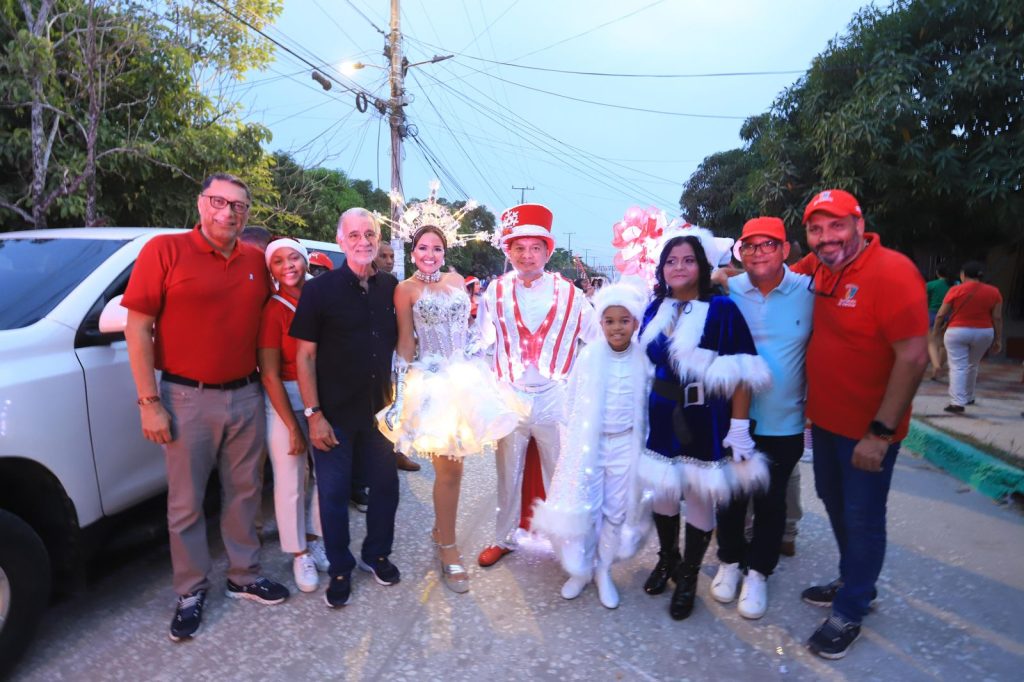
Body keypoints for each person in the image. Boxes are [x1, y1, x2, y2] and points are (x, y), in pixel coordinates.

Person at [122, 173, 289, 642]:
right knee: (186, 502)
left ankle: (243, 574)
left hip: (246, 393)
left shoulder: (257, 259)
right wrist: (148, 401)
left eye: (239, 206)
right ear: (201, 203)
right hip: (184, 398)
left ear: (247, 214)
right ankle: (191, 589)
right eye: (219, 201)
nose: (228, 212)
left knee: (244, 491)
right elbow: (137, 329)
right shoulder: (164, 251)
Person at [795, 189, 928, 659]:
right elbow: (772, 280)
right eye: (816, 228)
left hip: (869, 431)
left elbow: (914, 356)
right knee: (834, 502)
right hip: (826, 424)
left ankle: (852, 607)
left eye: (836, 226)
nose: (826, 237)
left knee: (863, 516)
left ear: (858, 223)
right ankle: (854, 578)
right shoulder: (819, 267)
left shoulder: (891, 272)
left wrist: (880, 433)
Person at [379, 225, 526, 593]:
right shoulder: (405, 290)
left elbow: (470, 330)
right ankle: (448, 547)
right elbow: (405, 342)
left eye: (437, 248)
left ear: (445, 252)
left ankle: (441, 529)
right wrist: (400, 395)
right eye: (423, 248)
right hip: (432, 383)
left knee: (457, 467)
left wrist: (484, 360)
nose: (430, 254)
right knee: (449, 471)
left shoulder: (458, 280)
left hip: (466, 377)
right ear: (413, 253)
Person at [638, 229, 770, 622]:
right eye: (671, 261)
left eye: (687, 260)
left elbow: (742, 373)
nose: (678, 267)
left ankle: (690, 577)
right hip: (661, 413)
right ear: (662, 268)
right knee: (663, 494)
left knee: (697, 494)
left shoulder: (723, 310)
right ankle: (669, 560)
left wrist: (740, 427)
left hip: (703, 415)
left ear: (702, 265)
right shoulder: (654, 307)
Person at [290, 207, 401, 609]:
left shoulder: (392, 287)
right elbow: (304, 357)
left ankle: (377, 555)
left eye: (369, 234)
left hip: (380, 414)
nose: (363, 242)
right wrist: (313, 413)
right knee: (334, 495)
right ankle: (340, 567)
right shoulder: (319, 291)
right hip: (332, 414)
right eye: (354, 235)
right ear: (341, 241)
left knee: (386, 489)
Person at [474, 203, 593, 567]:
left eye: (535, 248)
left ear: (547, 251)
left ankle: (564, 541)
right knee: (507, 473)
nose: (527, 256)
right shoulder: (493, 293)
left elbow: (596, 337)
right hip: (510, 394)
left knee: (560, 472)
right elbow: (481, 343)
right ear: (508, 252)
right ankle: (504, 537)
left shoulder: (571, 294)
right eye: (519, 248)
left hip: (554, 394)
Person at [713, 217, 813, 619]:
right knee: (732, 496)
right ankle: (729, 562)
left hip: (785, 418)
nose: (757, 252)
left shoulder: (808, 291)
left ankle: (759, 572)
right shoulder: (729, 288)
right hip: (732, 415)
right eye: (749, 246)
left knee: (771, 501)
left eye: (767, 244)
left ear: (785, 249)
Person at [532, 283, 652, 609]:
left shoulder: (644, 359)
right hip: (590, 445)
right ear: (601, 324)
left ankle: (603, 570)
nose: (616, 327)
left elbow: (648, 406)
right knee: (586, 507)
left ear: (635, 323)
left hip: (626, 445)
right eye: (609, 321)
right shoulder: (588, 356)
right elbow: (571, 402)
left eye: (624, 320)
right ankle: (581, 569)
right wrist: (573, 444)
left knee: (615, 512)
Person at [258, 239, 329, 593]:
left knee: (326, 473)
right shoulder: (274, 310)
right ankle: (298, 551)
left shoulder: (319, 299)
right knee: (289, 478)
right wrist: (292, 426)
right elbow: (269, 373)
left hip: (321, 394)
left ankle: (315, 537)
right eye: (278, 261)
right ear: (270, 270)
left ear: (305, 261)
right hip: (285, 396)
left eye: (294, 258)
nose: (288, 266)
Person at [934, 261, 1003, 413]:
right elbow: (997, 317)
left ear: (963, 275)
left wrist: (935, 331)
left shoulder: (955, 290)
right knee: (972, 365)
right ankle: (969, 396)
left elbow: (941, 314)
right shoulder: (994, 292)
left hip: (957, 332)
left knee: (958, 366)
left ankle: (957, 402)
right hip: (984, 333)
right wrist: (998, 339)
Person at [926, 265, 957, 380]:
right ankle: (939, 368)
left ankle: (936, 365)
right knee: (944, 343)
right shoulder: (956, 285)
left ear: (938, 273)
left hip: (933, 314)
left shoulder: (931, 284)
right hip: (950, 315)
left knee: (932, 342)